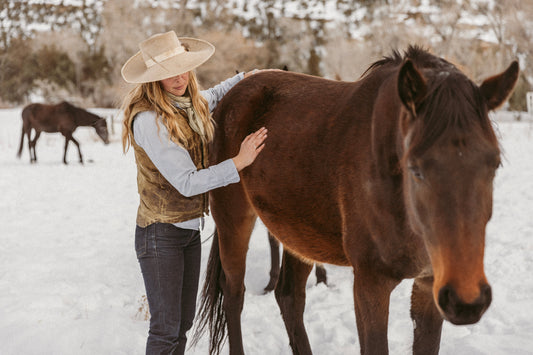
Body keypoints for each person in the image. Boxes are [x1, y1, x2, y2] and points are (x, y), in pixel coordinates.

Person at [120, 31, 267, 354]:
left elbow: (210, 97)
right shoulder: (149, 120)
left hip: (186, 232)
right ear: (154, 79)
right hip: (160, 235)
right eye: (169, 73)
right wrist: (239, 162)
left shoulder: (186, 104)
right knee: (164, 330)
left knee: (182, 326)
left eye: (184, 68)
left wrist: (246, 78)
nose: (179, 78)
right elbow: (187, 182)